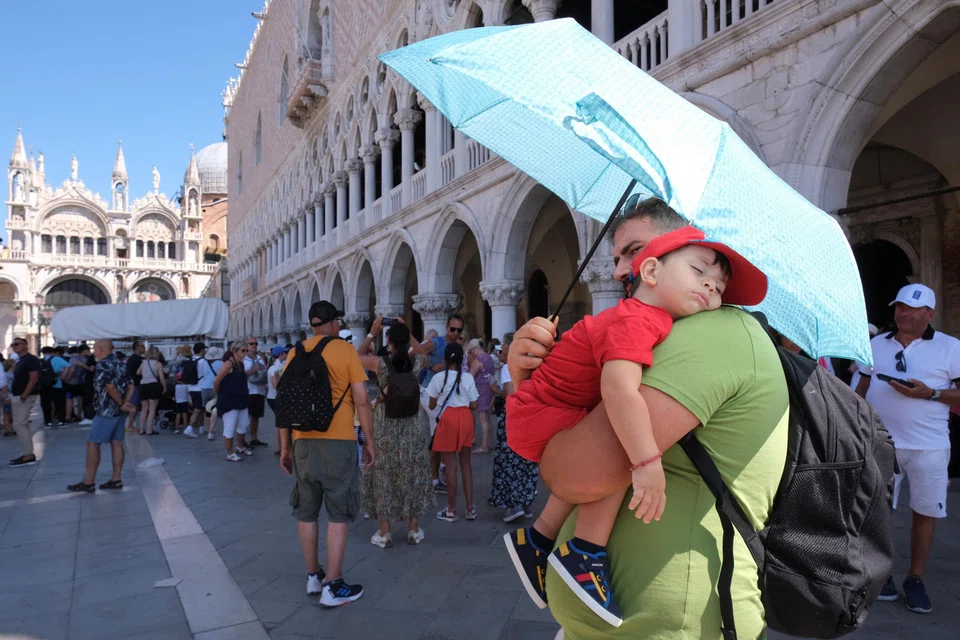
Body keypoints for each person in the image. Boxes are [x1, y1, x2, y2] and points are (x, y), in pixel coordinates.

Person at [508, 196, 789, 640]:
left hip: (670, 624)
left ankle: (555, 546)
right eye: (618, 256)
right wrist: (529, 380)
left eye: (635, 252)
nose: (621, 271)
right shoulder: (658, 327)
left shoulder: (711, 334)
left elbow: (575, 473)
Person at [855, 283, 960, 614]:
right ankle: (882, 573)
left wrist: (929, 394)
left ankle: (915, 578)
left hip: (929, 447)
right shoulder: (875, 344)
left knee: (925, 512)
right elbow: (862, 387)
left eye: (913, 309)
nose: (904, 313)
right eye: (900, 307)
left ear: (929, 314)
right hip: (881, 443)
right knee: (879, 513)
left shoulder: (950, 348)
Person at [278, 300, 374, 607]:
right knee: (338, 512)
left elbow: (284, 403)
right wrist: (369, 440)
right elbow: (361, 400)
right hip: (338, 442)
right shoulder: (345, 351)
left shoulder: (296, 352)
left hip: (302, 442)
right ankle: (334, 585)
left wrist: (285, 446)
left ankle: (312, 576)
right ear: (333, 324)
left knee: (306, 511)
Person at [357, 318, 433, 548]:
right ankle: (413, 530)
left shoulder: (380, 364)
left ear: (388, 341)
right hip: (413, 424)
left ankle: (384, 532)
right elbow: (423, 354)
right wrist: (407, 331)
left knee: (384, 475)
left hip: (386, 423)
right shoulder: (415, 363)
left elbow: (355, 357)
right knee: (412, 473)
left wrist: (371, 333)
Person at [67, 339, 136, 492]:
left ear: (100, 349)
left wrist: (120, 402)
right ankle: (116, 478)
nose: (93, 352)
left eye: (94, 348)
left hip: (106, 410)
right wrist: (125, 402)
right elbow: (131, 385)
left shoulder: (103, 364)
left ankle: (89, 481)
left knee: (93, 443)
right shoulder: (121, 363)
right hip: (119, 411)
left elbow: (109, 386)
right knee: (117, 443)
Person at [488, 332, 539, 523]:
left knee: (510, 460)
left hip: (514, 416)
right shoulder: (535, 365)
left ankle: (513, 504)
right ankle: (525, 502)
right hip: (533, 416)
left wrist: (496, 391)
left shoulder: (509, 367)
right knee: (528, 461)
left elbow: (511, 395)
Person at [427, 342, 480, 522]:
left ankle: (451, 510)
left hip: (448, 418)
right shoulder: (467, 378)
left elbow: (432, 403)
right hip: (465, 417)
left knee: (450, 465)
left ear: (445, 358)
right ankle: (470, 508)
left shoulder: (438, 378)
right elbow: (474, 405)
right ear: (462, 359)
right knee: (466, 464)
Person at [422, 315, 466, 492]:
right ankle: (436, 475)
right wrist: (430, 366)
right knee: (439, 432)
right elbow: (418, 350)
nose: (455, 333)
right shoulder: (437, 342)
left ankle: (436, 474)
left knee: (438, 434)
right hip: (429, 392)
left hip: (445, 396)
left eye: (459, 330)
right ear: (447, 328)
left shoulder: (458, 346)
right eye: (452, 329)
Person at [213, 342, 254, 462]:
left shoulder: (240, 364)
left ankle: (240, 446)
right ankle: (229, 453)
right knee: (229, 427)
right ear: (235, 351)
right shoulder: (228, 364)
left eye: (246, 350)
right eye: (243, 350)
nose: (245, 353)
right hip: (229, 400)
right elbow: (217, 381)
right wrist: (220, 394)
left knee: (244, 424)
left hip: (241, 399)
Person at [8, 337, 41, 466]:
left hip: (24, 397)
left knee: (20, 425)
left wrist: (24, 395)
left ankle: (28, 455)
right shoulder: (21, 360)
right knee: (20, 425)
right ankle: (27, 453)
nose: (14, 346)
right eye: (13, 344)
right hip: (19, 396)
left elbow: (33, 378)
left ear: (25, 345)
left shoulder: (30, 359)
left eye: (17, 344)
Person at [466, 338, 497, 454]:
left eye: (470, 351)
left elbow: (470, 377)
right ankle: (488, 443)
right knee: (487, 418)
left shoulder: (478, 360)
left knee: (483, 418)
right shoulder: (488, 358)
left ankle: (484, 445)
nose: (471, 354)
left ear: (474, 349)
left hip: (481, 390)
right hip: (489, 389)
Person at [184, 342, 215, 438]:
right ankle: (189, 428)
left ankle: (202, 428)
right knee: (197, 410)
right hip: (200, 388)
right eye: (204, 349)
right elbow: (207, 375)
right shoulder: (203, 362)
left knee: (200, 408)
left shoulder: (190, 359)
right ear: (202, 350)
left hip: (191, 388)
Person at [244, 337, 269, 448]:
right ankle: (242, 439)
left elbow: (265, 372)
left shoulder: (260, 358)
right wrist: (253, 370)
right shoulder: (243, 359)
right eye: (251, 344)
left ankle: (254, 438)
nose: (254, 345)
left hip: (259, 390)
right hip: (248, 391)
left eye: (255, 343)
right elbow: (241, 374)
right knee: (245, 416)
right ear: (246, 346)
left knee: (256, 416)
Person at [135, 347, 166, 436]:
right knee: (152, 409)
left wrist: (145, 372)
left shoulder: (144, 363)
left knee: (144, 409)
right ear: (157, 354)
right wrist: (164, 387)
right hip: (153, 386)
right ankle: (149, 430)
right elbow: (162, 378)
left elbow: (138, 373)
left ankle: (141, 429)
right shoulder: (158, 364)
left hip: (143, 386)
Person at [39, 346, 68, 428]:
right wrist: (63, 376)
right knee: (59, 404)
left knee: (45, 404)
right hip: (56, 384)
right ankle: (61, 421)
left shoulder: (40, 361)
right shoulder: (56, 359)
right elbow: (68, 366)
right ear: (52, 352)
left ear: (43, 353)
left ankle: (47, 422)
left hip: (43, 386)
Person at [267, 345, 289, 454]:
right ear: (281, 354)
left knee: (280, 422)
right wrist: (278, 375)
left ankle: (280, 446)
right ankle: (279, 446)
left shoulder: (279, 366)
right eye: (285, 353)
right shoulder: (274, 368)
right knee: (280, 422)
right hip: (274, 398)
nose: (286, 354)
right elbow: (275, 385)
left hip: (276, 397)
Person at [124, 340, 145, 433]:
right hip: (135, 385)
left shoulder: (135, 358)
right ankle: (129, 425)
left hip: (135, 385)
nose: (144, 348)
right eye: (142, 346)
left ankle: (130, 424)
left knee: (135, 406)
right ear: (137, 347)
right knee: (134, 406)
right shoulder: (135, 359)